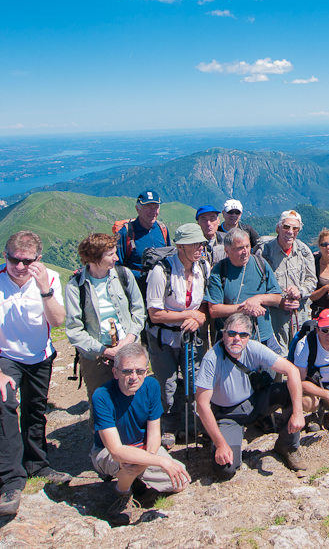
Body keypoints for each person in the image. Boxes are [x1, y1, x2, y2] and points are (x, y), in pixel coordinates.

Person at [0, 230, 71, 516]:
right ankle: (10, 480)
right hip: (4, 356)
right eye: (14, 260)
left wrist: (44, 287)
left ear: (38, 259)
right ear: (5, 256)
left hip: (40, 355)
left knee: (35, 410)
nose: (20, 267)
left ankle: (37, 463)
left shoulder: (48, 279)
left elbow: (58, 320)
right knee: (3, 408)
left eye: (27, 261)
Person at [194, 313, 307, 478]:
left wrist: (298, 413)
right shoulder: (211, 359)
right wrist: (220, 444)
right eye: (231, 333)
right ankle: (227, 439)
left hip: (254, 402)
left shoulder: (254, 347)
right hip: (227, 414)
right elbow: (202, 404)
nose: (236, 339)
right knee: (225, 469)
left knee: (287, 392)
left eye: (243, 335)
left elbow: (292, 370)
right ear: (223, 333)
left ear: (249, 336)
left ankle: (287, 445)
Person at [90, 343, 190, 525]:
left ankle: (136, 479)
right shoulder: (102, 396)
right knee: (129, 462)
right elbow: (115, 450)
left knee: (181, 481)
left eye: (140, 371)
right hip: (108, 452)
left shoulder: (151, 385)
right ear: (115, 372)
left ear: (146, 371)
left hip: (143, 447)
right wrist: (158, 461)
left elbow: (154, 434)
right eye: (127, 371)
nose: (134, 377)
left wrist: (148, 458)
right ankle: (122, 494)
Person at [64, 233, 145, 419]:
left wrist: (130, 339)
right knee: (101, 401)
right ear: (94, 257)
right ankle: (102, 444)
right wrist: (103, 350)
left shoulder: (123, 275)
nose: (116, 258)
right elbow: (74, 329)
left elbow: (139, 311)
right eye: (110, 254)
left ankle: (133, 439)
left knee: (133, 396)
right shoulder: (75, 286)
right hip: (96, 356)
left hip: (128, 347)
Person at [145, 223, 210, 448]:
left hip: (191, 335)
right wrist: (189, 314)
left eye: (201, 243)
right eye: (194, 244)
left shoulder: (203, 267)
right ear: (180, 246)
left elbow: (204, 304)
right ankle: (168, 426)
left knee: (195, 379)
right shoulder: (160, 271)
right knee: (167, 382)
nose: (200, 248)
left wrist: (198, 317)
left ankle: (192, 423)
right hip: (164, 338)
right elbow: (154, 314)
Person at [206, 228, 283, 353]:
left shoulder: (261, 264)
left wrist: (258, 299)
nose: (245, 252)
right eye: (239, 248)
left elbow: (277, 297)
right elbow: (214, 310)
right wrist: (246, 307)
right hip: (233, 340)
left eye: (247, 246)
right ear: (227, 251)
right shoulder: (219, 270)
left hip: (263, 337)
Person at [256, 209, 317, 354]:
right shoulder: (264, 253)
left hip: (299, 312)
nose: (291, 232)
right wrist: (279, 301)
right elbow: (257, 286)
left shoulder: (304, 251)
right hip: (273, 315)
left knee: (301, 352)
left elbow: (311, 280)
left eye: (295, 228)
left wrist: (300, 292)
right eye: (286, 227)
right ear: (278, 228)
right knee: (275, 354)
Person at [116, 190, 171, 293]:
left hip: (162, 289)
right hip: (136, 290)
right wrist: (143, 275)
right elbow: (116, 267)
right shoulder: (126, 233)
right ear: (137, 209)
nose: (153, 212)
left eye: (156, 207)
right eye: (148, 207)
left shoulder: (162, 229)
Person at [196, 204, 227, 270]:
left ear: (218, 221)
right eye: (204, 219)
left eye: (212, 219)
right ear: (198, 223)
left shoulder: (226, 240)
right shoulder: (194, 243)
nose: (208, 223)